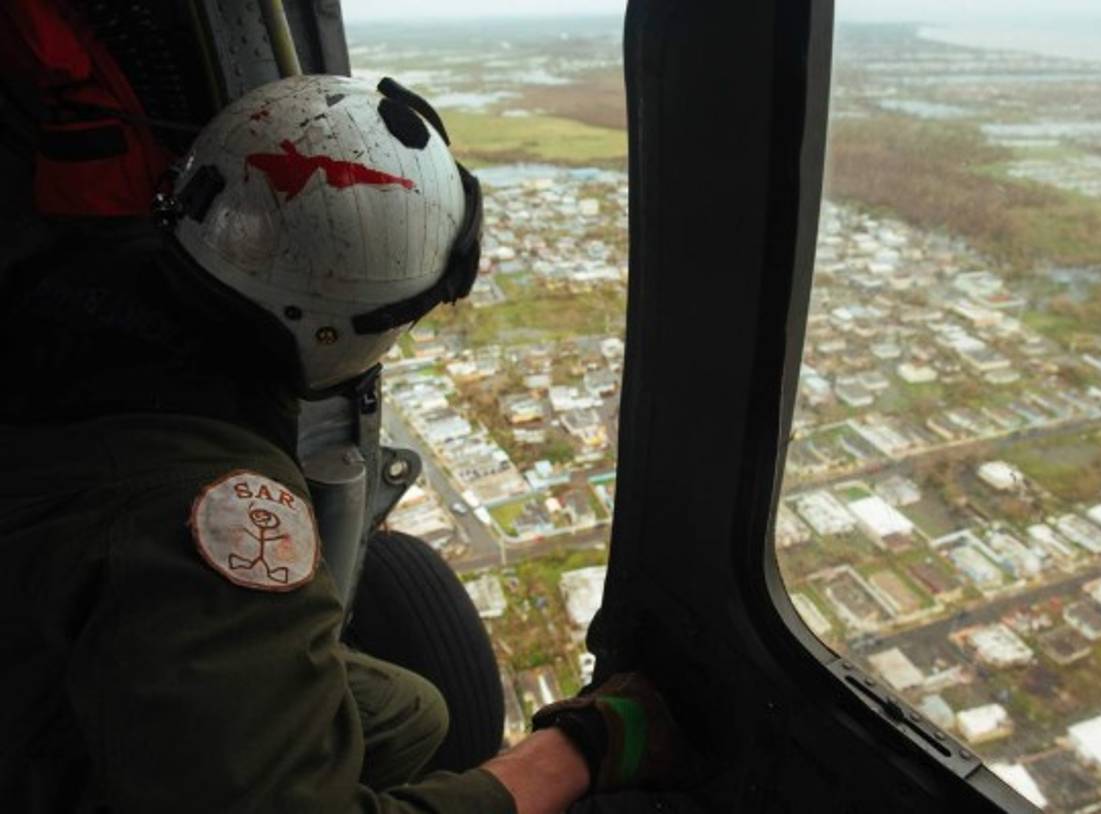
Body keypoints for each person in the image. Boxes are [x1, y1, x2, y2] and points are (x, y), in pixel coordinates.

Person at [0, 74, 686, 813]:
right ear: (330, 330)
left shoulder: (63, 286)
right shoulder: (216, 516)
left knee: (409, 712)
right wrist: (579, 750)